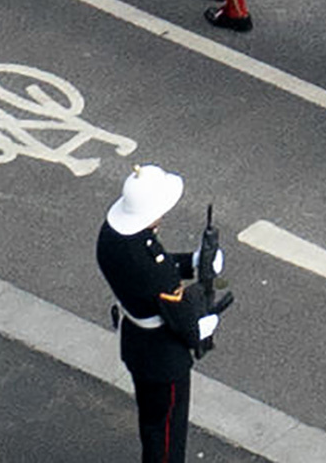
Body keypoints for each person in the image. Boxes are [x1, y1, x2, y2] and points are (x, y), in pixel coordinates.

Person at [98, 161, 219, 463]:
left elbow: (156, 266)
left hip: (136, 342)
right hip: (162, 357)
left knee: (152, 424)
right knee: (166, 434)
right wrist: (203, 327)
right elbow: (179, 314)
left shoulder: (115, 238)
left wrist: (193, 262)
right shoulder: (149, 261)